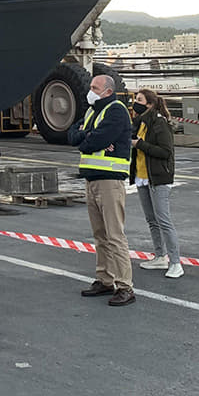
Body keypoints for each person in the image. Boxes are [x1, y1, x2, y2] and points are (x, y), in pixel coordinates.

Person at [69, 74, 136, 306]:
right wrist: (86, 136)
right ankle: (105, 279)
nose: (90, 90)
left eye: (94, 87)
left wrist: (86, 137)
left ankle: (125, 285)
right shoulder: (91, 112)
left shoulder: (116, 111)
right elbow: (72, 135)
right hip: (91, 180)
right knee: (100, 235)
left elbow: (92, 140)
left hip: (109, 181)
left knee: (114, 235)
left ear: (107, 91)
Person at [130, 88, 183, 279]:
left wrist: (140, 145)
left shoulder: (159, 123)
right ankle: (160, 255)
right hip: (142, 176)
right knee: (151, 219)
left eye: (140, 99)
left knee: (163, 219)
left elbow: (166, 151)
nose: (136, 102)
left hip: (158, 178)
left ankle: (175, 262)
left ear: (150, 104)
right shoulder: (141, 123)